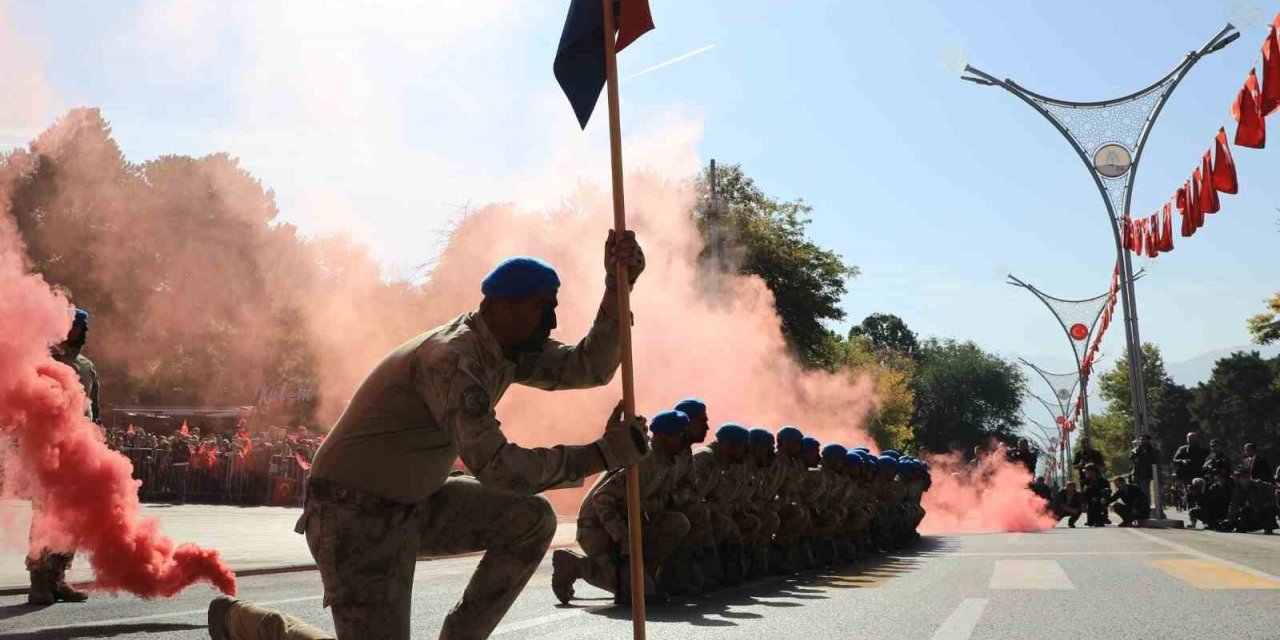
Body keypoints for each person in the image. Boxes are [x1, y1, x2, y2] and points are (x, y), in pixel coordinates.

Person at [209, 232, 649, 640]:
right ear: (500, 306)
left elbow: (588, 367)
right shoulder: (453, 360)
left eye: (553, 307)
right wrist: (600, 454)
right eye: (543, 308)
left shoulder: (507, 349)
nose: (552, 322)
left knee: (531, 519)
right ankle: (251, 625)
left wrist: (617, 288)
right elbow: (499, 469)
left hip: (415, 503)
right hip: (351, 516)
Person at [552, 410, 691, 604]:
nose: (684, 440)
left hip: (630, 525)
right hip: (598, 528)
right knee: (631, 592)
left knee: (677, 523)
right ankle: (574, 565)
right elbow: (602, 498)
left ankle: (643, 576)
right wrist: (623, 537)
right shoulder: (643, 461)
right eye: (679, 435)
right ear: (664, 437)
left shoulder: (669, 462)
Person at [28, 307, 96, 605]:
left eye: (83, 327)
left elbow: (95, 410)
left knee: (72, 517)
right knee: (46, 516)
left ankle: (58, 578)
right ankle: (39, 581)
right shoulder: (42, 360)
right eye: (77, 325)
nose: (82, 332)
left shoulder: (86, 366)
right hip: (49, 450)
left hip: (79, 449)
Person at [1226, 469, 1278, 534]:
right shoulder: (1238, 490)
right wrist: (1229, 521)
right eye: (1242, 477)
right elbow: (1233, 505)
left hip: (1262, 510)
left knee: (1268, 510)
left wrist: (1269, 502)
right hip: (1251, 513)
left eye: (1246, 477)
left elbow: (1272, 489)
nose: (1245, 479)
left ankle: (1268, 527)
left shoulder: (1259, 485)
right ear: (1239, 479)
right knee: (1241, 520)